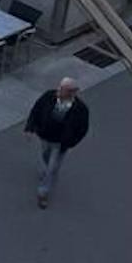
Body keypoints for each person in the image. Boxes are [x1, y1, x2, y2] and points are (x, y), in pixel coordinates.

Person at [24, 77, 90, 208]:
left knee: (52, 167)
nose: (59, 90)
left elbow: (82, 129)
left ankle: (43, 193)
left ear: (73, 92)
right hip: (45, 136)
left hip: (61, 143)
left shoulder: (80, 109)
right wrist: (30, 128)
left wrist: (70, 143)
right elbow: (36, 110)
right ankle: (47, 173)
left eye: (63, 89)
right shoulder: (49, 96)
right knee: (45, 157)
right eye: (60, 87)